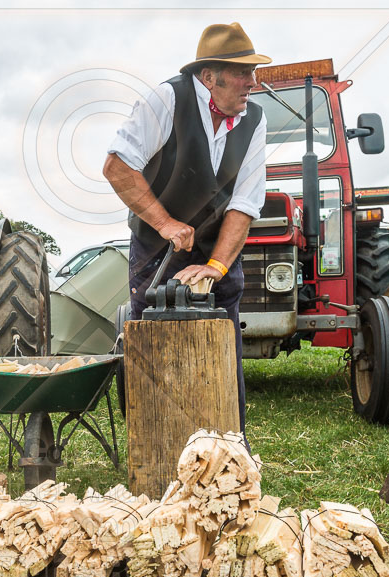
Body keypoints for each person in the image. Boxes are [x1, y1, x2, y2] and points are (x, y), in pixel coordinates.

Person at [103, 22, 269, 436]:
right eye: (242, 73)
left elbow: (245, 202)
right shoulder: (167, 99)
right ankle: (156, 448)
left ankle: (230, 445)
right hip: (154, 250)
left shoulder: (255, 118)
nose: (253, 82)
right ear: (209, 77)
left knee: (223, 346)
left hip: (217, 247)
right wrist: (164, 223)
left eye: (253, 72)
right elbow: (117, 166)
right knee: (152, 348)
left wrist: (216, 264)